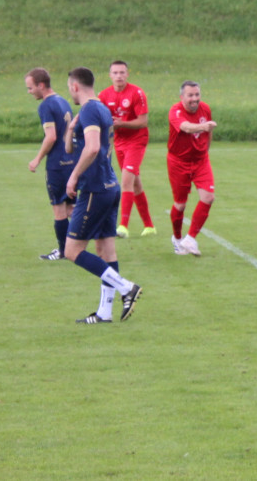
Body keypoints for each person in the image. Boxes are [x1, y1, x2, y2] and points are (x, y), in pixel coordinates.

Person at [61, 67, 143, 324]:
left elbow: (94, 148)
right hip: (110, 187)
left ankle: (126, 286)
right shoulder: (100, 110)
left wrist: (73, 177)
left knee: (72, 251)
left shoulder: (90, 110)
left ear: (75, 86)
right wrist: (71, 127)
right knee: (105, 250)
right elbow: (71, 147)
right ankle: (104, 313)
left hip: (95, 189)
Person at [25, 68, 78, 261]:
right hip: (72, 161)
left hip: (57, 164)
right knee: (72, 209)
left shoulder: (46, 106)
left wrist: (37, 159)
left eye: (30, 88)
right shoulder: (63, 101)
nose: (29, 92)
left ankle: (65, 251)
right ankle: (101, 231)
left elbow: (51, 136)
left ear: (41, 85)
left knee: (59, 209)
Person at [98, 60, 156, 239]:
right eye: (115, 73)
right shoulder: (103, 95)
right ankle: (149, 226)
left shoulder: (136, 93)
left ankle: (123, 226)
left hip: (137, 141)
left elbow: (143, 121)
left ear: (127, 74)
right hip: (119, 142)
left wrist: (122, 123)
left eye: (122, 72)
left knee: (126, 181)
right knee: (135, 182)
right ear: (110, 75)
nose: (119, 76)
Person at [167, 80, 217, 256]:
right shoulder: (175, 111)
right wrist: (202, 126)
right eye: (190, 95)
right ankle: (177, 238)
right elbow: (185, 127)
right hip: (178, 162)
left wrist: (205, 152)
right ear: (182, 97)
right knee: (180, 205)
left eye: (197, 95)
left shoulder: (205, 108)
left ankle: (190, 238)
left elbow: (208, 133)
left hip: (201, 161)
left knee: (208, 197)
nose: (194, 99)